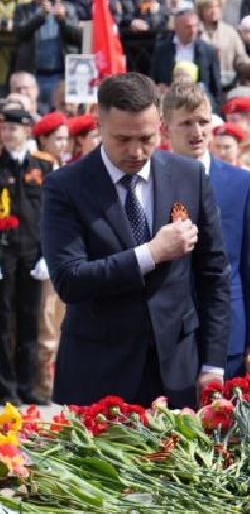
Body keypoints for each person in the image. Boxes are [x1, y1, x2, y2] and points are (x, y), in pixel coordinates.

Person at [42, 72, 230, 407]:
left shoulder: (189, 176)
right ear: (99, 124)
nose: (136, 151)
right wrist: (151, 253)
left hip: (177, 372)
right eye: (122, 139)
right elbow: (70, 280)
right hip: (100, 372)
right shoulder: (65, 187)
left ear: (160, 124)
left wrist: (213, 363)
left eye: (146, 138)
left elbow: (214, 275)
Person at [160, 84, 250, 378]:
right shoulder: (151, 182)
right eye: (186, 123)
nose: (197, 131)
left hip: (229, 333)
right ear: (165, 128)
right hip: (166, 333)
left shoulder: (241, 183)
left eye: (203, 122)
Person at [0, 107, 53, 402]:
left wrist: (47, 254)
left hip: (32, 252)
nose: (8, 134)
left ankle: (28, 387)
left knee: (31, 321)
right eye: (5, 128)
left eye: (14, 129)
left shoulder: (42, 167)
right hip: (4, 253)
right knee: (4, 322)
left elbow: (50, 214)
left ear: (27, 131)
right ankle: (6, 389)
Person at [150, 4, 222, 100]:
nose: (192, 30)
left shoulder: (209, 51)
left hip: (200, 103)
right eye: (187, 27)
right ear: (176, 27)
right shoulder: (162, 50)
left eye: (195, 26)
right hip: (170, 104)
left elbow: (216, 88)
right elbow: (154, 80)